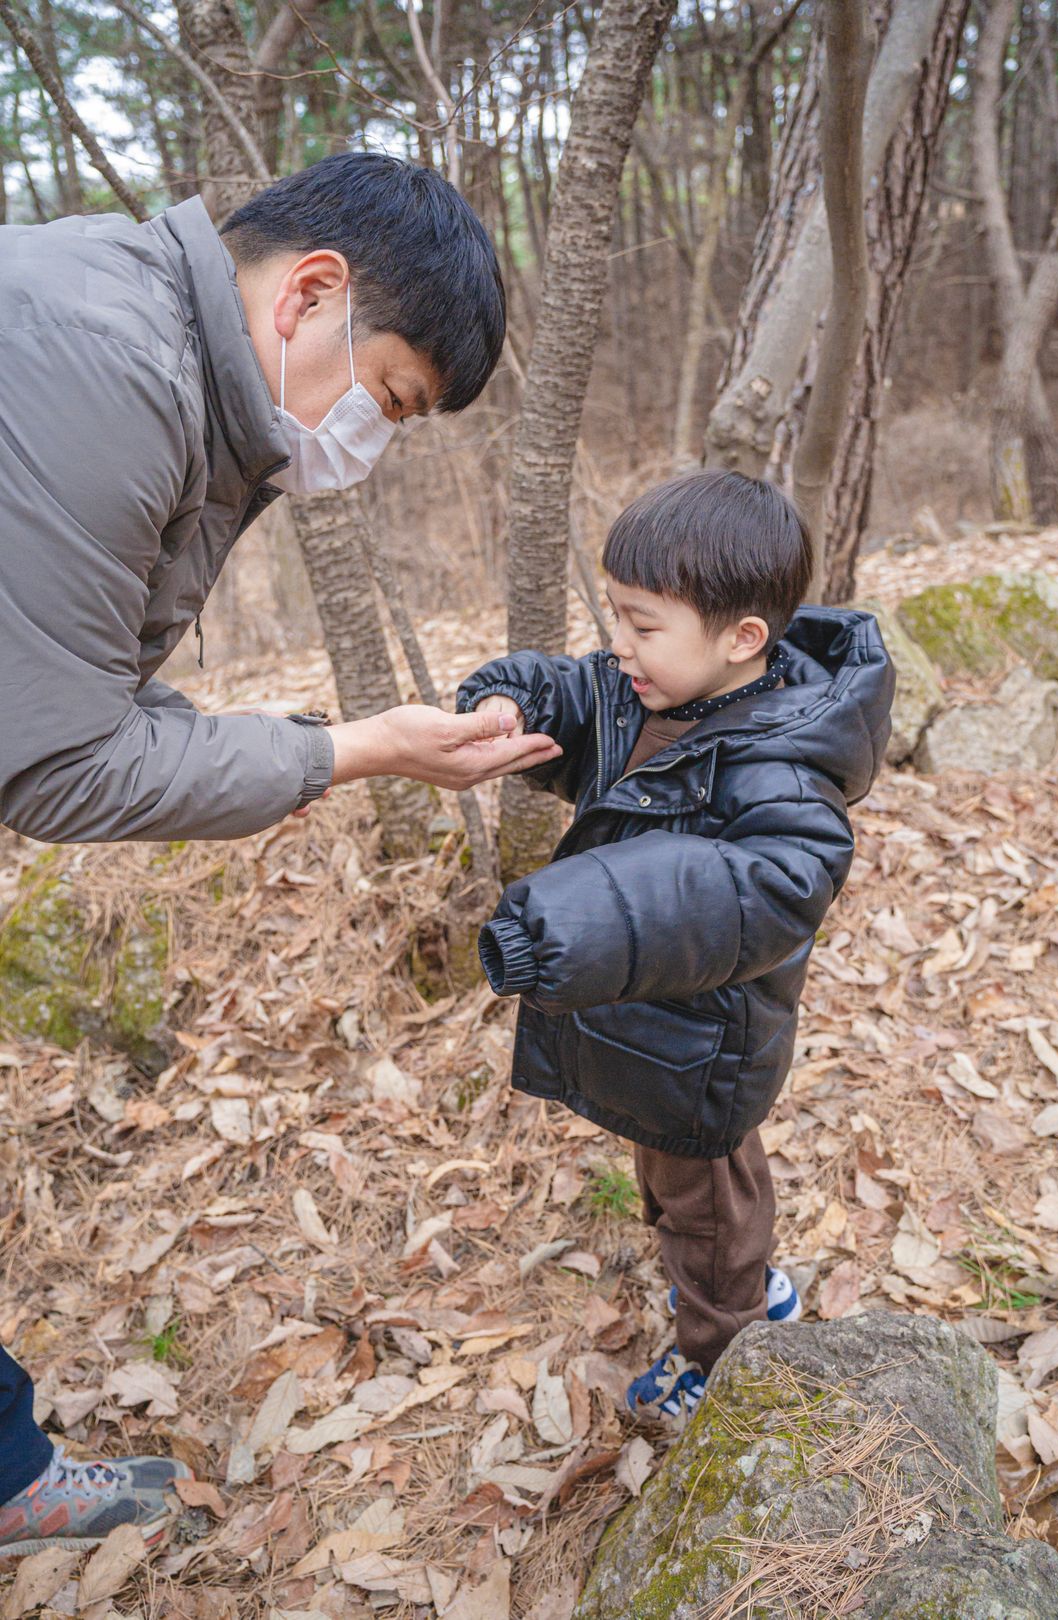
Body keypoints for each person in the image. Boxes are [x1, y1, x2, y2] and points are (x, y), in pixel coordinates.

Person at [0, 152, 559, 1554]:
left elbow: (75, 688)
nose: (372, 439)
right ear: (312, 293)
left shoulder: (145, 339)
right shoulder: (111, 371)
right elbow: (60, 763)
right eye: (391, 399)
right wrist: (351, 750)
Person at [458, 471, 893, 1420]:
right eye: (615, 616)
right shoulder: (643, 691)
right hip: (646, 1023)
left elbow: (772, 884)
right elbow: (575, 698)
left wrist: (579, 917)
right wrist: (509, 703)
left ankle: (726, 1341)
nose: (618, 645)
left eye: (642, 624)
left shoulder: (781, 764)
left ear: (742, 639)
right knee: (667, 1171)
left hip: (707, 1042)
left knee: (707, 1200)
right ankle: (721, 1291)